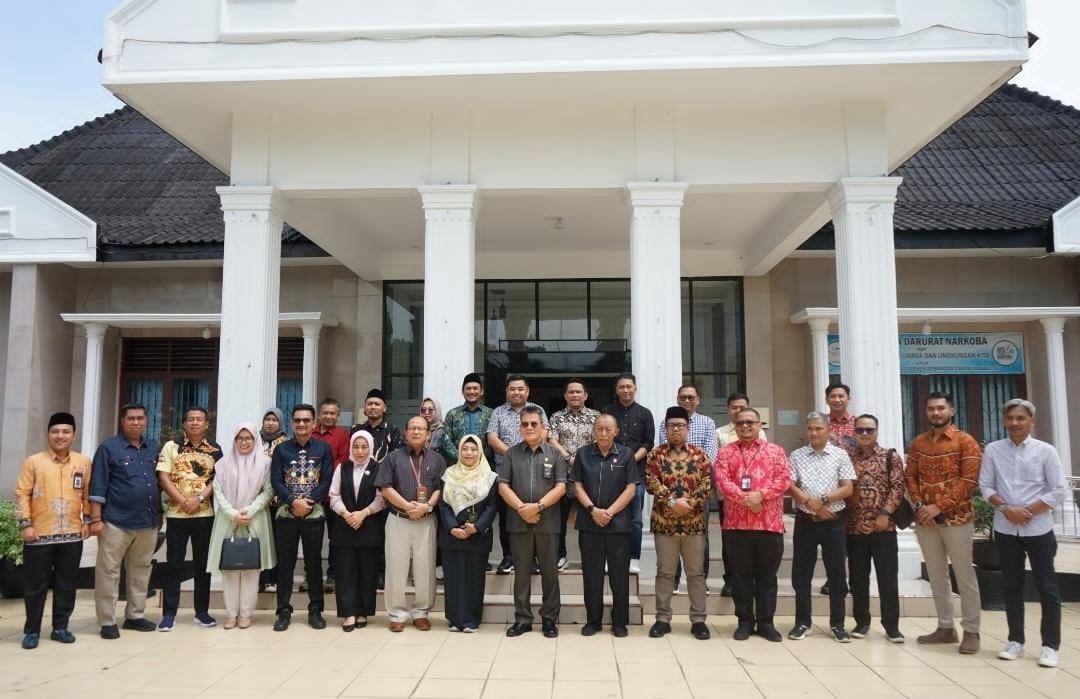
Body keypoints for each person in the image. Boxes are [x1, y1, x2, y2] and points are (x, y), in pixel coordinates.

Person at [979, 399, 1065, 668]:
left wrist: (1027, 511)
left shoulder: (1046, 451)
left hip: (1038, 529)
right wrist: (1006, 508)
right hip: (1006, 529)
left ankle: (1050, 645)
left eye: (1021, 418)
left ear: (1031, 421)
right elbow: (985, 485)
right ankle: (1015, 640)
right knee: (1011, 586)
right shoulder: (993, 450)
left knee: (1046, 587)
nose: (1015, 423)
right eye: (1010, 418)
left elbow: (1058, 490)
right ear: (1004, 420)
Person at [905, 392, 983, 654]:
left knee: (964, 575)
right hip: (926, 521)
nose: (935, 413)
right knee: (936, 575)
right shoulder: (918, 443)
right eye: (931, 409)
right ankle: (945, 626)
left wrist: (939, 505)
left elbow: (969, 481)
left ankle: (971, 630)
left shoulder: (966, 442)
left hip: (957, 518)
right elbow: (911, 477)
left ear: (951, 410)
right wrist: (919, 505)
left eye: (940, 408)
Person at [14, 412, 91, 649]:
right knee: (35, 585)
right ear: (48, 434)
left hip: (72, 533)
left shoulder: (83, 462)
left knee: (66, 583)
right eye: (55, 431)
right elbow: (22, 493)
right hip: (38, 534)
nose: (61, 436)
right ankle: (32, 630)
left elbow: (87, 494)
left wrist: (87, 521)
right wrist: (26, 524)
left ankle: (60, 627)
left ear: (73, 435)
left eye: (66, 431)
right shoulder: (34, 462)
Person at [713, 407, 790, 642]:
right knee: (740, 576)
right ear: (734, 426)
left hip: (769, 525)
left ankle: (766, 623)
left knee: (767, 577)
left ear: (760, 424)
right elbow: (722, 480)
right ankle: (745, 621)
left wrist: (761, 496)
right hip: (737, 525)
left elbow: (784, 479)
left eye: (750, 422)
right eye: (740, 423)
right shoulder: (725, 452)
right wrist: (746, 499)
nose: (745, 426)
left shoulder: (776, 452)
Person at [89, 403, 160, 639]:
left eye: (141, 418)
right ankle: (107, 621)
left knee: (140, 572)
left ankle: (135, 616)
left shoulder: (152, 448)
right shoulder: (109, 448)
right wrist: (96, 519)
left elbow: (159, 482)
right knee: (108, 572)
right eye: (131, 418)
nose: (136, 422)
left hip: (147, 522)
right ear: (122, 421)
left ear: (146, 421)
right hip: (115, 521)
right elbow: (98, 485)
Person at [498, 405, 567, 638]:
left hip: (548, 521)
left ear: (543, 427)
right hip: (518, 522)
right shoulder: (511, 454)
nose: (529, 427)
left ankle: (549, 619)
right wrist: (521, 508)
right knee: (522, 572)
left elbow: (561, 486)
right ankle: (523, 619)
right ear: (520, 427)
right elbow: (503, 485)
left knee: (549, 572)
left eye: (533, 424)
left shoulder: (555, 454)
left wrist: (537, 507)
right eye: (525, 424)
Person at [644, 406, 712, 640]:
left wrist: (689, 503)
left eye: (680, 426)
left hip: (693, 524)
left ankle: (699, 619)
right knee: (665, 573)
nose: (676, 430)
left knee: (696, 573)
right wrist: (672, 501)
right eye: (672, 426)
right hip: (665, 524)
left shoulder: (700, 455)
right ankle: (663, 618)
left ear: (688, 428)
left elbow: (707, 483)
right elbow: (651, 481)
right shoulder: (656, 454)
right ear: (665, 429)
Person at [787, 412, 855, 643]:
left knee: (837, 575)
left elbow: (847, 488)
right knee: (801, 575)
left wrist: (824, 500)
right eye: (810, 429)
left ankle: (838, 624)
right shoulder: (796, 455)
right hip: (806, 522)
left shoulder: (840, 455)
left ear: (828, 431)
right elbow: (790, 484)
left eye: (818, 428)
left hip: (833, 522)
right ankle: (802, 622)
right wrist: (810, 504)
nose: (813, 433)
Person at [376, 415, 447, 631]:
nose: (416, 432)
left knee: (425, 568)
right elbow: (385, 488)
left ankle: (421, 612)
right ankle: (397, 613)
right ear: (406, 432)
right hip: (399, 519)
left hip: (426, 520)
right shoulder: (392, 457)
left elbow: (439, 489)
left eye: (421, 429)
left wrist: (426, 507)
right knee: (396, 568)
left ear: (428, 433)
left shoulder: (437, 459)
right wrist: (408, 507)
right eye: (412, 428)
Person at [571, 414, 639, 637]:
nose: (603, 433)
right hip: (590, 524)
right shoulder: (583, 454)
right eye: (599, 429)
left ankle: (619, 622)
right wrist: (593, 510)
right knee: (592, 575)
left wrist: (609, 512)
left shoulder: (626, 454)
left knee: (619, 576)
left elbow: (631, 488)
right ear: (593, 430)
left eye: (608, 429)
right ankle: (593, 621)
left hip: (618, 525)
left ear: (616, 431)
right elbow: (577, 484)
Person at [156, 405, 222, 631]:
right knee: (173, 564)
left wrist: (199, 498)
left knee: (203, 564)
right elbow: (163, 476)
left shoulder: (215, 450)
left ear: (206, 425)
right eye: (191, 419)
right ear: (184, 424)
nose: (195, 423)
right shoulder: (171, 447)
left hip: (204, 514)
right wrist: (182, 500)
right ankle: (169, 613)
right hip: (177, 514)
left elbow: (218, 479)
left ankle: (201, 612)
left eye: (199, 419)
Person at [270, 403, 334, 632]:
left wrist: (308, 502)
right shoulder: (281, 450)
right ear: (291, 423)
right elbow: (276, 480)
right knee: (285, 565)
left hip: (313, 514)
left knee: (314, 564)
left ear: (314, 423)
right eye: (297, 420)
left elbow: (326, 480)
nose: (302, 424)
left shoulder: (324, 449)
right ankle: (283, 612)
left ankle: (315, 611)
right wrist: (292, 501)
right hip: (287, 514)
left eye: (306, 420)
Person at [207, 424, 276, 630]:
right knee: (230, 568)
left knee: (251, 569)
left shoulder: (265, 463)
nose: (244, 442)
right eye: (240, 438)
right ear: (234, 441)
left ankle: (246, 614)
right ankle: (231, 614)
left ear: (255, 440)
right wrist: (233, 514)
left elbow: (268, 490)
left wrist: (249, 511)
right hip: (228, 520)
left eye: (248, 438)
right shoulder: (222, 463)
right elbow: (217, 491)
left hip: (255, 519)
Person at [846, 414, 905, 643]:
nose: (864, 434)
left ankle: (892, 626)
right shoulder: (848, 458)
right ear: (854, 432)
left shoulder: (890, 456)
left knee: (887, 578)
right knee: (858, 579)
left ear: (877, 432)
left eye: (869, 430)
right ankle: (862, 622)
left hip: (884, 528)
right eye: (860, 430)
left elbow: (898, 487)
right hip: (855, 528)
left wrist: (885, 514)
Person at [487, 374, 550, 574]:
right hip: (505, 471)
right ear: (507, 391)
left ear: (527, 391)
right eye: (512, 389)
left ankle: (532, 558)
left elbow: (545, 434)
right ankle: (508, 557)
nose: (516, 392)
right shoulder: (498, 412)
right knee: (507, 517)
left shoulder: (537, 411)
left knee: (532, 512)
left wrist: (525, 454)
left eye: (520, 389)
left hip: (534, 470)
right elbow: (491, 438)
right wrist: (514, 455)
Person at [659, 384, 718, 592]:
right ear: (677, 399)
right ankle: (673, 581)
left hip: (697, 492)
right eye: (683, 397)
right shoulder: (665, 423)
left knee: (700, 536)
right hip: (671, 492)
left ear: (698, 400)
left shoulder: (707, 423)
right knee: (671, 536)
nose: (687, 401)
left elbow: (709, 458)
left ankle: (701, 581)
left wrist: (692, 494)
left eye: (691, 397)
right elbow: (662, 457)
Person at [439, 434, 499, 632]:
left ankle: (471, 620)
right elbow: (443, 505)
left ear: (480, 452)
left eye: (473, 449)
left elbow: (492, 507)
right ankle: (455, 619)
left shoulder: (489, 477)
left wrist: (477, 527)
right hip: (452, 535)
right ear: (459, 451)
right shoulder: (448, 474)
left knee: (474, 579)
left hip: (477, 536)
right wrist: (452, 527)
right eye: (465, 449)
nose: (469, 453)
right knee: (453, 578)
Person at [329, 430, 387, 631]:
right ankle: (348, 613)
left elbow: (382, 498)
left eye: (364, 447)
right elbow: (334, 495)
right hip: (344, 525)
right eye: (356, 446)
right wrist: (346, 514)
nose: (360, 451)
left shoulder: (378, 468)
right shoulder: (342, 468)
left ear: (370, 447)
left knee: (367, 571)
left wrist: (363, 514)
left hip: (369, 525)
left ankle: (363, 611)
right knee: (345, 571)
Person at [713, 392, 767, 596]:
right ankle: (731, 579)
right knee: (730, 541)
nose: (738, 411)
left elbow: (765, 464)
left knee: (754, 541)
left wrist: (756, 496)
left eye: (742, 407)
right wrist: (739, 496)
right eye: (734, 407)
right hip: (729, 498)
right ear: (728, 410)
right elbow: (718, 466)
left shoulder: (760, 433)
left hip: (757, 498)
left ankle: (752, 579)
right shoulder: (720, 433)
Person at [603, 373, 655, 575]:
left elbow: (648, 443)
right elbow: (603, 438)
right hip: (609, 474)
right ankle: (610, 558)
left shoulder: (644, 414)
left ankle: (634, 557)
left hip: (636, 474)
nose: (625, 390)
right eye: (621, 387)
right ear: (617, 390)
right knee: (610, 516)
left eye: (629, 386)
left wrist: (630, 460)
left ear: (635, 388)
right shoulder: (607, 412)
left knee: (635, 519)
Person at [548, 378, 600, 571]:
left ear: (585, 395)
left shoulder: (596, 417)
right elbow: (552, 440)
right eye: (571, 392)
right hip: (564, 474)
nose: (575, 395)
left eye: (578, 392)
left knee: (589, 518)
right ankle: (561, 555)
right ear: (565, 396)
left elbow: (600, 440)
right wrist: (569, 458)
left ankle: (591, 558)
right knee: (559, 519)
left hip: (590, 475)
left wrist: (584, 460)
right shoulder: (556, 417)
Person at [311, 397, 350, 593]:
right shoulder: (311, 432)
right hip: (311, 495)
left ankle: (332, 575)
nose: (328, 416)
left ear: (338, 415)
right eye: (325, 412)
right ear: (319, 414)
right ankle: (313, 576)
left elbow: (342, 461)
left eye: (332, 413)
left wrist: (323, 476)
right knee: (313, 538)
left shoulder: (343, 435)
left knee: (335, 538)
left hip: (333, 495)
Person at [258, 407, 287, 593]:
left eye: (274, 420)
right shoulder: (254, 441)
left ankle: (275, 579)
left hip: (279, 500)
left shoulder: (285, 443)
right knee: (260, 539)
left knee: (277, 540)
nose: (270, 423)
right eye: (267, 419)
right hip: (257, 500)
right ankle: (260, 579)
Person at [441, 373, 494, 464]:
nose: (472, 391)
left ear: (482, 391)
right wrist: (461, 457)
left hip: (484, 466)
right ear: (463, 392)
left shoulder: (491, 414)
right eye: (468, 388)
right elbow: (446, 440)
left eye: (475, 388)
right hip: (457, 465)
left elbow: (493, 441)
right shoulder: (452, 414)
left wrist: (479, 457)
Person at [351, 389, 404, 463]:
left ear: (384, 408)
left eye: (377, 404)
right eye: (369, 404)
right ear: (365, 408)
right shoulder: (356, 430)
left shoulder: (392, 431)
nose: (373, 407)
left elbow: (397, 459)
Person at [825, 382, 857, 455]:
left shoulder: (858, 422)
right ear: (826, 400)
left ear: (848, 398)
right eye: (833, 396)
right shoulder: (821, 423)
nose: (837, 400)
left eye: (841, 396)